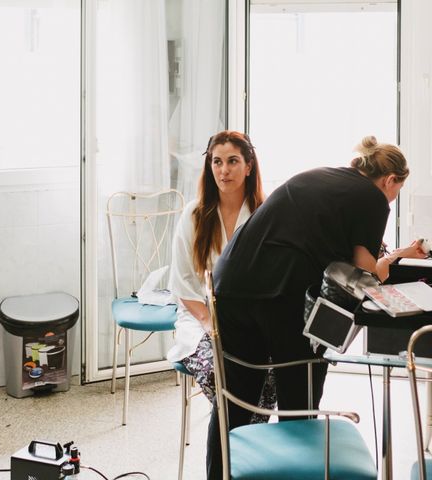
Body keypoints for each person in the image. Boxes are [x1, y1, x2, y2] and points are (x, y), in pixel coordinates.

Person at [207, 135, 427, 478]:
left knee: (235, 399)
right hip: (278, 293)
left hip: (230, 285)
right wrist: (396, 257)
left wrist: (393, 255)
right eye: (397, 190)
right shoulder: (373, 198)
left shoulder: (324, 175)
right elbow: (365, 272)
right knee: (300, 394)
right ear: (390, 181)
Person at [167, 130, 275, 421]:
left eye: (232, 161)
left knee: (268, 376)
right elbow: (183, 284)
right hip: (200, 317)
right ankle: (236, 449)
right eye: (217, 162)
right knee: (221, 373)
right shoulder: (194, 215)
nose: (224, 170)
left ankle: (241, 448)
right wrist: (211, 324)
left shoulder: (264, 215)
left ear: (249, 166)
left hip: (251, 320)